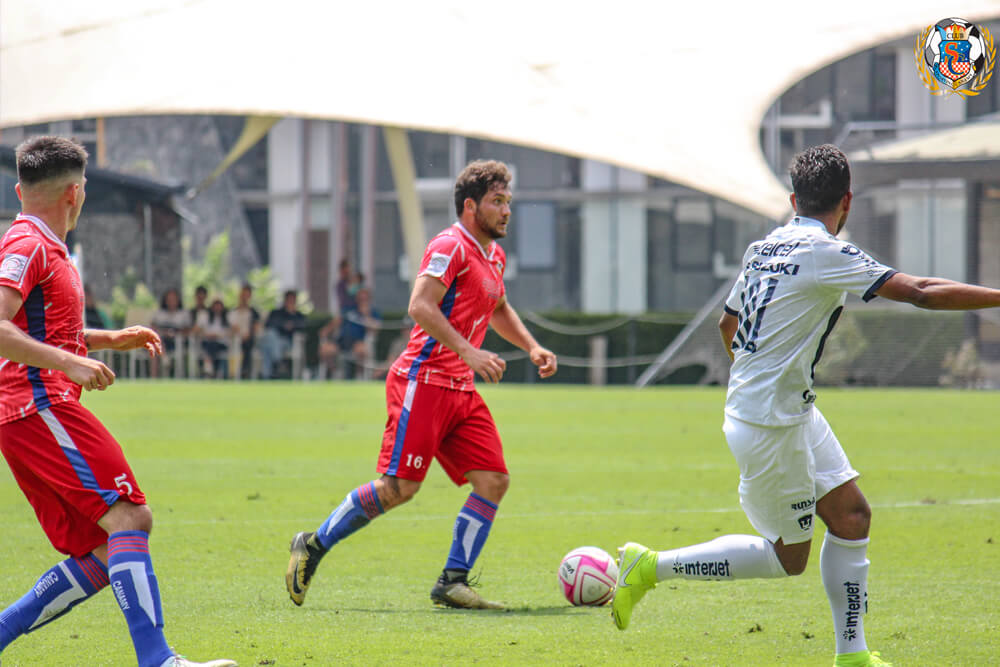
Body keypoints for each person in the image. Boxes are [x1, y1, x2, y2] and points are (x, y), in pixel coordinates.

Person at [612, 144, 1000, 667]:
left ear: (794, 200)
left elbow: (728, 324)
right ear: (847, 202)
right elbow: (923, 292)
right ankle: (649, 566)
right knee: (787, 558)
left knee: (852, 516)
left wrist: (759, 374)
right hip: (771, 424)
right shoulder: (827, 252)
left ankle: (853, 656)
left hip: (783, 410)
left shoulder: (763, 248)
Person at [0, 136, 235, 667]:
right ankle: (158, 660)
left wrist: (107, 340)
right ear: (75, 194)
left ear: (20, 190)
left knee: (107, 550)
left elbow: (42, 329)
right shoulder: (29, 245)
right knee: (130, 516)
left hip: (30, 412)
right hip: (39, 406)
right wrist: (68, 364)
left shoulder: (40, 244)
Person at [285, 159, 558, 609]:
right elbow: (419, 305)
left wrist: (532, 346)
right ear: (470, 206)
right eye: (497, 201)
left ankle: (453, 580)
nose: (507, 210)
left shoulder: (494, 254)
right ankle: (313, 545)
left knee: (493, 481)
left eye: (508, 201)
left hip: (460, 390)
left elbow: (497, 307)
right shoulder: (449, 245)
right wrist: (469, 352)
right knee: (399, 489)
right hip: (423, 383)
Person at [258, 290, 306, 379]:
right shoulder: (276, 313)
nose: (290, 302)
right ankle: (277, 362)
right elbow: (269, 324)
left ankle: (267, 375)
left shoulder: (298, 316)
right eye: (289, 299)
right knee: (270, 335)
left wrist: (291, 325)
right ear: (285, 300)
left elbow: (302, 326)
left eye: (292, 300)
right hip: (274, 338)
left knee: (266, 344)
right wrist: (284, 325)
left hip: (287, 342)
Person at [339, 286, 381, 378]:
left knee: (360, 350)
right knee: (326, 350)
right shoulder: (350, 310)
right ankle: (334, 376)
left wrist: (366, 314)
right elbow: (338, 321)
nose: (363, 301)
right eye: (360, 299)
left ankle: (360, 376)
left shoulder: (374, 313)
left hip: (360, 343)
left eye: (365, 299)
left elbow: (375, 330)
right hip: (342, 341)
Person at [150, 288, 190, 377]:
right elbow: (153, 327)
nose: (171, 302)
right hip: (161, 338)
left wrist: (175, 334)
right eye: (169, 299)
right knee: (155, 346)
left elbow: (187, 329)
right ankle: (154, 376)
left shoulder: (183, 314)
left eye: (173, 299)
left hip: (177, 342)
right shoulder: (159, 313)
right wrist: (163, 332)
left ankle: (164, 359)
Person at [228, 283, 260, 379]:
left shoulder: (254, 312)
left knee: (248, 344)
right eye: (243, 294)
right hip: (235, 338)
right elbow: (233, 327)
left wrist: (250, 334)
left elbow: (256, 327)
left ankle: (245, 371)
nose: (244, 297)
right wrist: (240, 335)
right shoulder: (233, 312)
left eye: (247, 295)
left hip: (249, 338)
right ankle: (239, 372)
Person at [199, 297, 229, 378]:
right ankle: (211, 368)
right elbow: (199, 330)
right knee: (210, 344)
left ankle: (208, 366)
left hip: (221, 343)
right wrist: (207, 335)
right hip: (207, 342)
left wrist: (219, 336)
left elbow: (231, 331)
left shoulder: (226, 319)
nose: (217, 308)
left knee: (213, 345)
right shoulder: (206, 317)